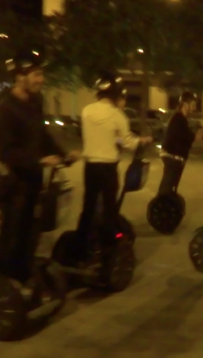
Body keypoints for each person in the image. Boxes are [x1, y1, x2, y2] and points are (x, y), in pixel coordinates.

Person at [0, 49, 70, 283]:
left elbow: (41, 134)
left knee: (31, 235)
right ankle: (4, 284)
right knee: (12, 236)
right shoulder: (4, 108)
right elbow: (6, 152)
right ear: (20, 76)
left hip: (34, 181)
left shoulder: (36, 101)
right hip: (14, 184)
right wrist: (38, 160)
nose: (41, 79)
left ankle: (24, 280)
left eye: (41, 74)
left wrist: (62, 154)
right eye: (36, 74)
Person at [76, 73, 152, 265]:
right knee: (110, 208)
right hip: (108, 166)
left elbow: (106, 135)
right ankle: (109, 246)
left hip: (90, 165)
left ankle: (81, 244)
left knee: (89, 206)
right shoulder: (118, 115)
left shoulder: (86, 112)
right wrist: (140, 142)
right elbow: (126, 141)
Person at [158, 91, 203, 195]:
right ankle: (160, 207)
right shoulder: (178, 118)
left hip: (175, 158)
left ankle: (166, 205)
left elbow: (183, 137)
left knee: (170, 188)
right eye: (193, 105)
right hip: (172, 158)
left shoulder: (181, 119)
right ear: (185, 104)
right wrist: (195, 136)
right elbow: (182, 137)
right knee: (167, 188)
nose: (194, 108)